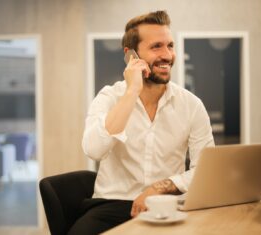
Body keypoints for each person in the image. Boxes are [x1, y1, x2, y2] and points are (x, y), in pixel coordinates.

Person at [69, 10, 214, 235]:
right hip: (111, 205)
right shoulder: (109, 97)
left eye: (170, 46)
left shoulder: (191, 105)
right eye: (156, 47)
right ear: (131, 55)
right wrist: (132, 91)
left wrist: (159, 187)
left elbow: (204, 169)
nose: (167, 55)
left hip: (167, 205)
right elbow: (94, 150)